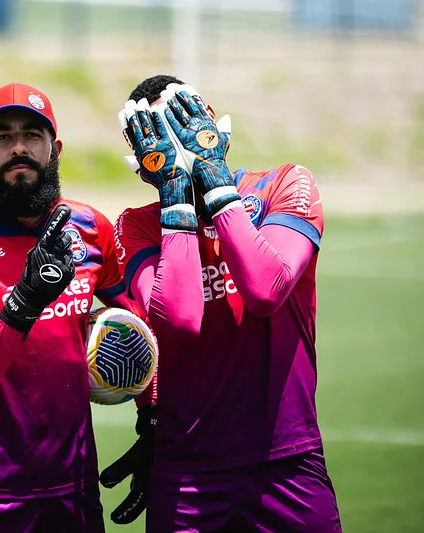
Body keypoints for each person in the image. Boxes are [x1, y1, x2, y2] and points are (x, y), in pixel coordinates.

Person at [101, 75, 341, 532]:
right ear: (140, 153)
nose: (176, 142)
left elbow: (266, 289)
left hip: (287, 461)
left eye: (182, 119)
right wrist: (176, 192)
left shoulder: (283, 185)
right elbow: (182, 319)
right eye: (158, 132)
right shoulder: (136, 226)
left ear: (208, 117)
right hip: (187, 473)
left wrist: (212, 179)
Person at [0, 82, 140, 532]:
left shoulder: (90, 227)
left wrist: (152, 416)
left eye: (32, 135)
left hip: (74, 495)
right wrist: (24, 303)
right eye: (3, 137)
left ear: (55, 148)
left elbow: (143, 326)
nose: (19, 148)